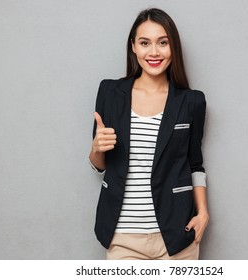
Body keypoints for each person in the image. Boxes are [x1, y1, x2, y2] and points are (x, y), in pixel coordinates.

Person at [89, 8, 208, 260]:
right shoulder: (110, 93)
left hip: (177, 235)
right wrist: (96, 149)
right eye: (145, 43)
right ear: (133, 46)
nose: (154, 52)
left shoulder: (191, 102)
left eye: (163, 43)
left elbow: (195, 163)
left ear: (172, 47)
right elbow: (99, 165)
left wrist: (204, 212)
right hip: (122, 236)